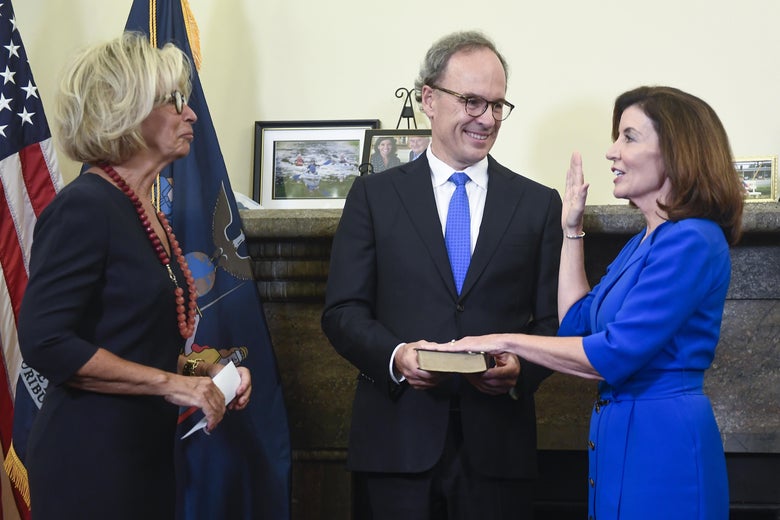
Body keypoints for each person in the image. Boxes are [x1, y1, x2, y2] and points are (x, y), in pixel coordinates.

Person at [429, 86, 744, 519]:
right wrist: (571, 229)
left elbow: (612, 354)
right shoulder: (644, 241)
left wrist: (504, 339)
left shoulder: (693, 239)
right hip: (619, 437)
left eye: (629, 137)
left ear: (676, 151)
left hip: (662, 444)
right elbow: (576, 324)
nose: (612, 151)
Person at [322, 30, 563, 519]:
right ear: (428, 99)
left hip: (498, 451)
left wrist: (522, 372)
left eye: (497, 105)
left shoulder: (538, 205)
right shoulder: (373, 196)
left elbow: (552, 322)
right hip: (396, 444)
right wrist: (397, 356)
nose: (487, 118)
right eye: (472, 101)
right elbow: (343, 311)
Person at [17, 32, 252, 520]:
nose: (190, 114)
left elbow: (133, 341)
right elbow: (45, 341)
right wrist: (172, 384)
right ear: (123, 110)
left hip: (143, 455)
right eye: (173, 102)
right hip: (88, 462)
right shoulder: (84, 207)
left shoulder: (143, 208)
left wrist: (207, 374)